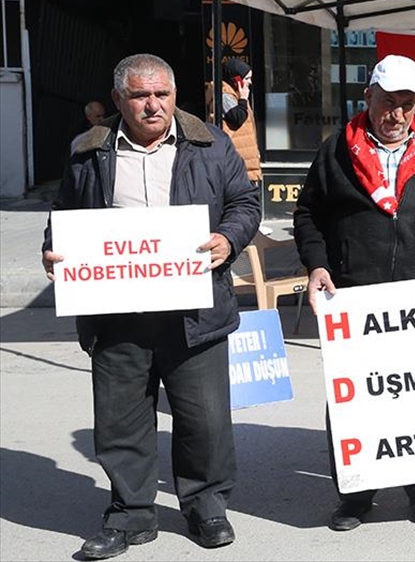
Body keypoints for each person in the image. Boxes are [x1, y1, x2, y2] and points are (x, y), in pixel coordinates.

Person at [41, 54, 260, 559]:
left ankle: (206, 506)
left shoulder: (210, 142)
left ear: (175, 95)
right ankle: (130, 514)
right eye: (141, 96)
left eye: (162, 94)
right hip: (116, 310)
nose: (153, 105)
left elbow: (245, 204)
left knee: (204, 418)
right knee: (121, 419)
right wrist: (55, 251)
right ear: (119, 100)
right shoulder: (88, 150)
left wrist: (228, 240)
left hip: (194, 311)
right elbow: (65, 214)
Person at [292, 54, 415, 531]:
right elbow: (308, 215)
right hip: (356, 296)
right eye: (387, 103)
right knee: (357, 398)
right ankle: (356, 494)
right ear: (367, 96)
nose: (396, 115)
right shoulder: (336, 151)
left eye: (406, 105)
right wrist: (317, 264)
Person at [205, 58, 263, 189]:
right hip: (238, 159)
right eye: (247, 78)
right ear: (236, 79)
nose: (250, 82)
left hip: (245, 158)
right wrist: (243, 98)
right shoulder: (224, 95)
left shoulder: (234, 94)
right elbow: (237, 118)